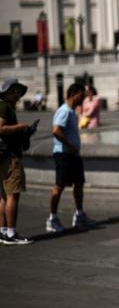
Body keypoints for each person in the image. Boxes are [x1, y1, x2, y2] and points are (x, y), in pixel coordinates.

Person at [47, 83, 96, 233]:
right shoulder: (64, 111)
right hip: (64, 154)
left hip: (72, 154)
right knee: (59, 185)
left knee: (79, 183)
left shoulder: (72, 112)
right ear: (74, 95)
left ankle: (79, 214)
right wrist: (70, 145)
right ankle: (52, 218)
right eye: (81, 96)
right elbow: (56, 130)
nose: (83, 99)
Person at [0, 79, 37, 245]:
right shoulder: (5, 107)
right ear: (7, 93)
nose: (18, 95)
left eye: (18, 92)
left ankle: (2, 231)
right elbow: (0, 128)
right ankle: (11, 233)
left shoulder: (5, 107)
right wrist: (20, 127)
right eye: (14, 91)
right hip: (10, 157)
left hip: (4, 156)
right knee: (13, 195)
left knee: (3, 196)